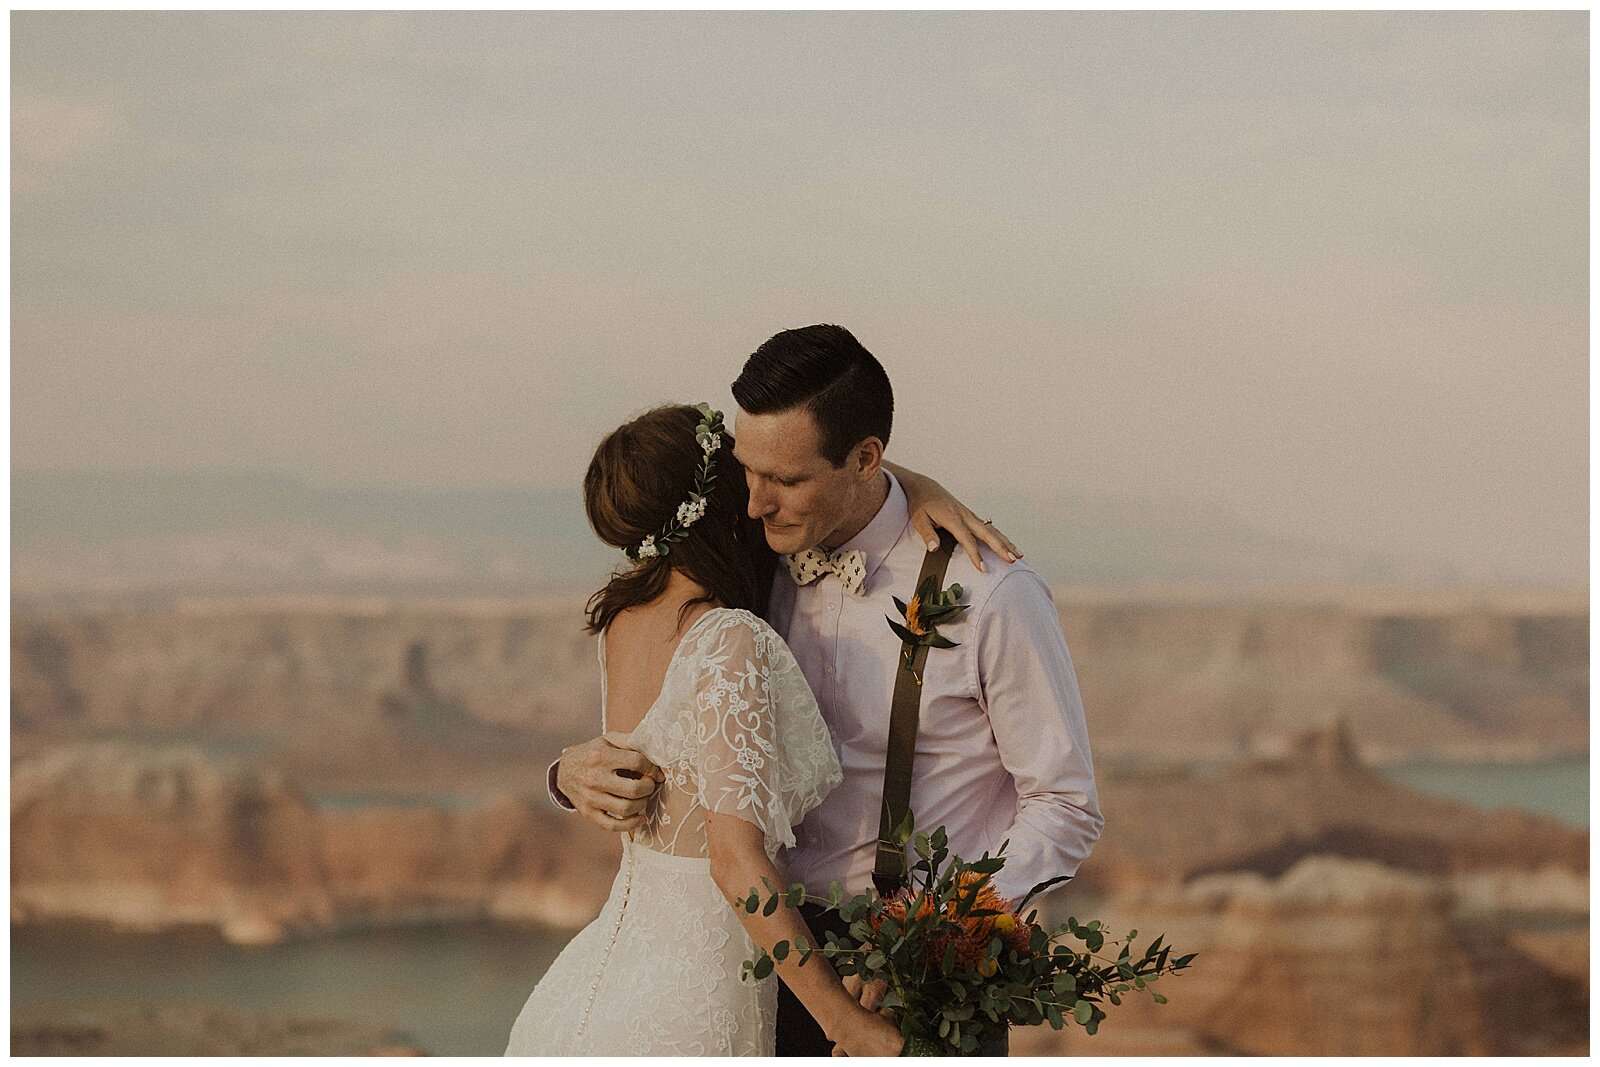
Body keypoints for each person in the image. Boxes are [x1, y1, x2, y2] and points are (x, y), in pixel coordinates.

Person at [551, 324, 1102, 1057]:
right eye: (748, 473)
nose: (754, 504)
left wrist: (937, 941)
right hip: (767, 965)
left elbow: (1065, 804)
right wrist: (568, 774)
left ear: (865, 457)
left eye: (786, 480)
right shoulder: (753, 560)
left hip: (920, 981)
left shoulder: (993, 595)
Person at [504, 402, 905, 1056]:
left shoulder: (622, 621)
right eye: (745, 474)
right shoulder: (728, 637)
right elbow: (735, 860)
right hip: (693, 999)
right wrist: (842, 1018)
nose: (761, 493)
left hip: (597, 979)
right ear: (717, 497)